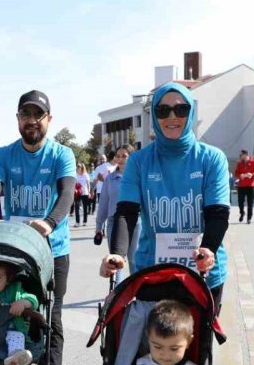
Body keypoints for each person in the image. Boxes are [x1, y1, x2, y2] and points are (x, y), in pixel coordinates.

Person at [99, 81, 231, 316]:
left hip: (202, 272)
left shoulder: (212, 158)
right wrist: (118, 253)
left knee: (200, 339)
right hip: (153, 272)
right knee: (153, 340)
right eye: (163, 110)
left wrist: (208, 249)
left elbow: (218, 213)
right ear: (154, 116)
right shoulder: (139, 161)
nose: (172, 116)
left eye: (181, 109)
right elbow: (127, 212)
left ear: (191, 113)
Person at [0, 89, 76, 365]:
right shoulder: (4, 155)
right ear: (18, 119)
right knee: (20, 308)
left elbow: (66, 193)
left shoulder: (61, 154)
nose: (32, 120)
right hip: (18, 250)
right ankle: (30, 354)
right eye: (26, 114)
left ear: (49, 119)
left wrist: (49, 222)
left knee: (53, 314)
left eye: (38, 115)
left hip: (53, 248)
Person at [94, 144, 135, 281]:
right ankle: (117, 291)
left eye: (124, 156)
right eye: (118, 156)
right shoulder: (109, 178)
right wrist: (99, 226)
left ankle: (138, 291)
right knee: (115, 261)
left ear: (131, 157)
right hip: (113, 221)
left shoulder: (138, 176)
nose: (120, 159)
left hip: (136, 222)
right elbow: (103, 203)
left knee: (134, 261)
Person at [234, 150, 254, 223]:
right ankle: (242, 213)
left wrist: (252, 174)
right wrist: (240, 175)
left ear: (246, 155)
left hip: (251, 185)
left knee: (250, 202)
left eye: (241, 155)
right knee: (240, 201)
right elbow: (236, 173)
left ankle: (249, 218)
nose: (240, 156)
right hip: (241, 185)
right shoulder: (240, 163)